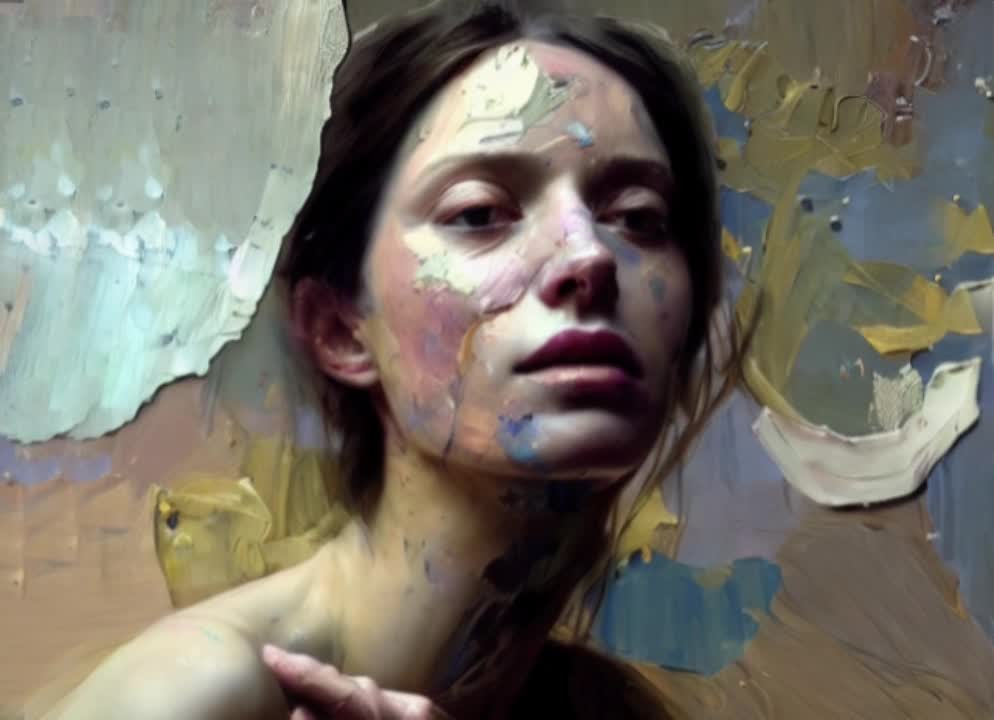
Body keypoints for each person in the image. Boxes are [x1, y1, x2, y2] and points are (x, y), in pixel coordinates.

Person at [45, 1, 750, 717]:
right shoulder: (195, 693)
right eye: (479, 214)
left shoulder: (605, 708)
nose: (589, 255)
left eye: (638, 217)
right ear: (340, 330)